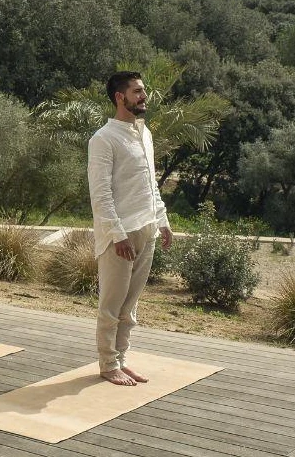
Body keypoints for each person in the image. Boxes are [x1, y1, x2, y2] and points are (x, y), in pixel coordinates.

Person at [88, 71, 174, 386]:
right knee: (112, 305)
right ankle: (108, 364)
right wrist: (118, 234)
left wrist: (161, 219)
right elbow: (100, 194)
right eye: (137, 91)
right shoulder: (103, 139)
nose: (144, 96)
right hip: (119, 236)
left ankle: (121, 361)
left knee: (130, 305)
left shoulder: (145, 133)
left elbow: (149, 183)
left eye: (144, 91)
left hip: (147, 227)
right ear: (119, 97)